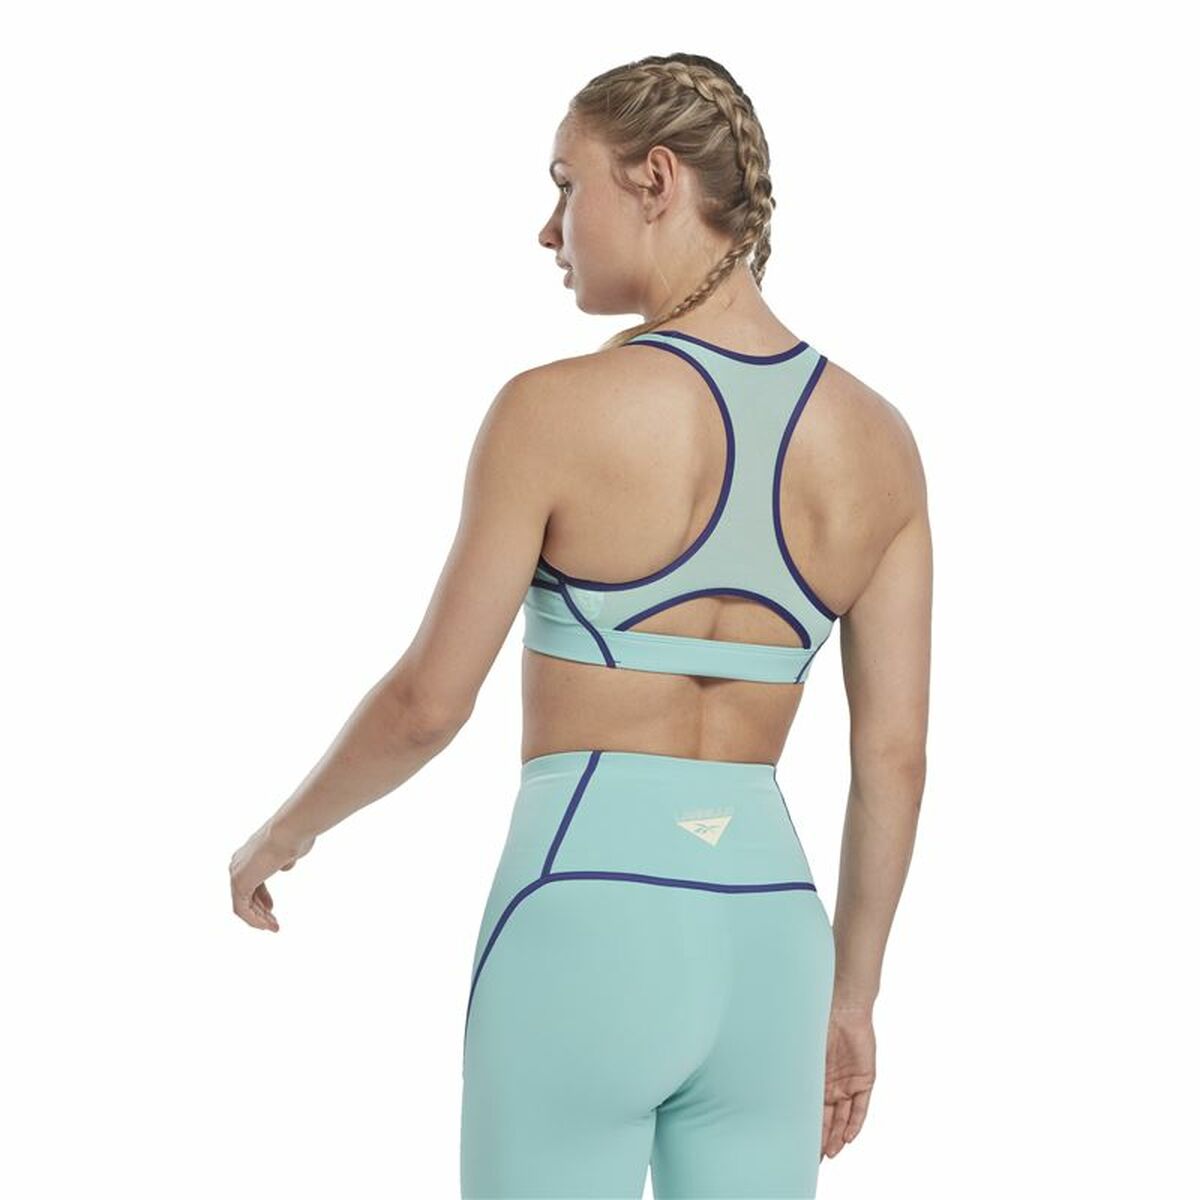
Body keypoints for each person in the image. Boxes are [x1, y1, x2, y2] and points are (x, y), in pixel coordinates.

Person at [229, 52, 931, 1200]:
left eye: (568, 184)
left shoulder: (552, 411)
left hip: (586, 907)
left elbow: (426, 705)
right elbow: (892, 758)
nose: (550, 229)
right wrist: (851, 999)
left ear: (655, 179)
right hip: (774, 938)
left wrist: (284, 833)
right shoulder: (879, 441)